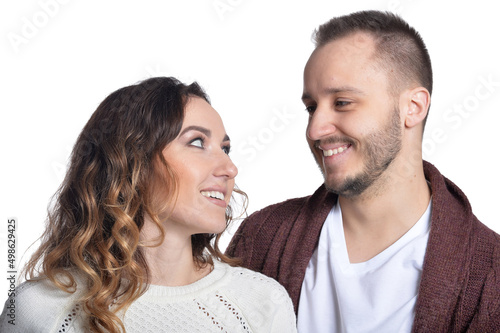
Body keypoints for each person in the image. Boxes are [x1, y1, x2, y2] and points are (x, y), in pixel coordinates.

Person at [226, 10, 500, 332]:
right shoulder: (262, 237)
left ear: (413, 107)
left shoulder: (489, 278)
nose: (315, 129)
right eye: (311, 107)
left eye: (342, 102)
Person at [0, 77, 296, 333]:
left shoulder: (262, 301)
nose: (230, 168)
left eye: (226, 148)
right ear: (133, 162)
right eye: (197, 142)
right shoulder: (41, 308)